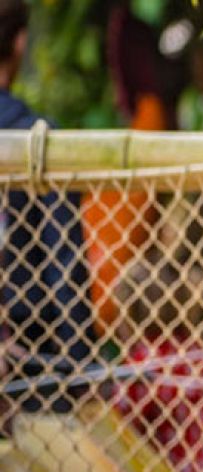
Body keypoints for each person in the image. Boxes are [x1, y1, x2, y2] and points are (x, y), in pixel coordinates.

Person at [0, 0, 96, 387]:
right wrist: (80, 369)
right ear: (20, 43)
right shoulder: (38, 138)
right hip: (29, 351)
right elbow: (64, 260)